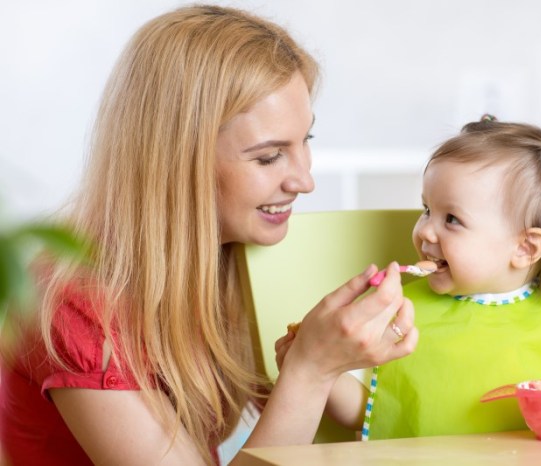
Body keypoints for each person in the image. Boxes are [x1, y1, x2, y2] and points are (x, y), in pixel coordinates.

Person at [0, 5, 418, 465]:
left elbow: (317, 442)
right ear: (177, 162)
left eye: (306, 143)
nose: (304, 180)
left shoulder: (235, 259)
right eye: (268, 157)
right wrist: (311, 370)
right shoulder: (75, 303)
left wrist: (334, 367)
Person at [277, 115, 541, 440]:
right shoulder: (398, 314)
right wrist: (318, 373)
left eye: (452, 219)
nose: (424, 230)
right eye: (427, 209)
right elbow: (372, 411)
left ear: (525, 248)